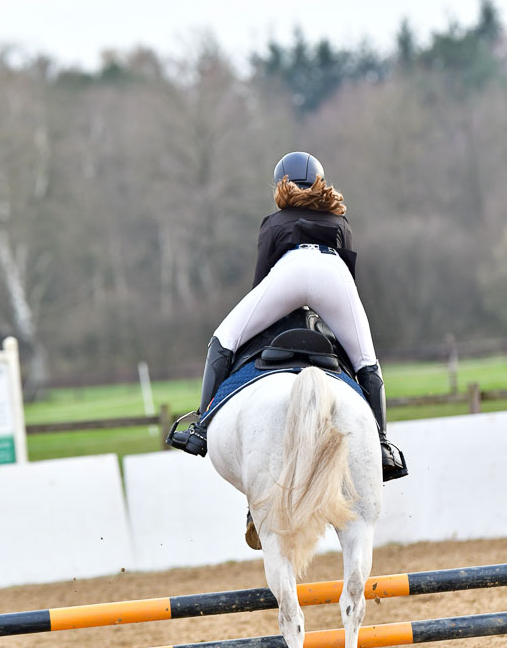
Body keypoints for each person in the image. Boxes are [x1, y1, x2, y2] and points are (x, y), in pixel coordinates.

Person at [168, 152, 407, 483]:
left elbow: (261, 281)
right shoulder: (340, 224)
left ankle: (202, 426)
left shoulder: (273, 223)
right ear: (319, 181)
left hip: (289, 273)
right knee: (367, 362)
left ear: (281, 182)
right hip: (333, 275)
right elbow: (349, 277)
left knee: (224, 339)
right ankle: (381, 445)